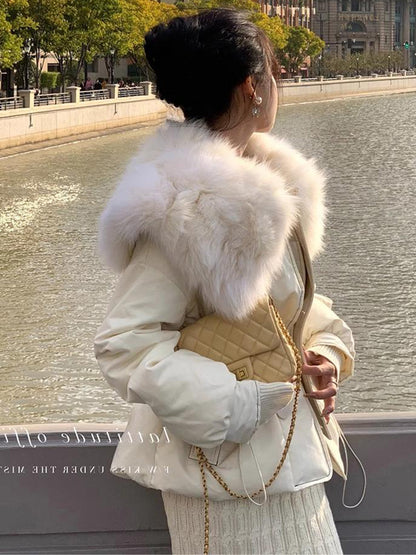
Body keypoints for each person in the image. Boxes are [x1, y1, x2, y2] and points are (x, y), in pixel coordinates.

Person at [94, 7, 356, 555]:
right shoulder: (179, 205)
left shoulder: (264, 189)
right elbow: (124, 344)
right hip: (221, 477)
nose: (280, 83)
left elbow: (289, 308)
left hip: (286, 460)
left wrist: (326, 352)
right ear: (251, 88)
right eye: (275, 72)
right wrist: (237, 405)